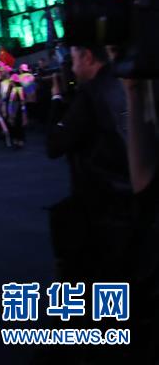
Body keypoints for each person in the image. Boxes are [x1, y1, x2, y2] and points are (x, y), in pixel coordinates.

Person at [45, 44, 131, 283]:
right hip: (125, 198)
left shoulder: (91, 95)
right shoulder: (119, 82)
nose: (71, 68)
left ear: (88, 57)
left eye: (73, 60)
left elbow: (54, 145)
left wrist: (56, 98)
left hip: (98, 207)